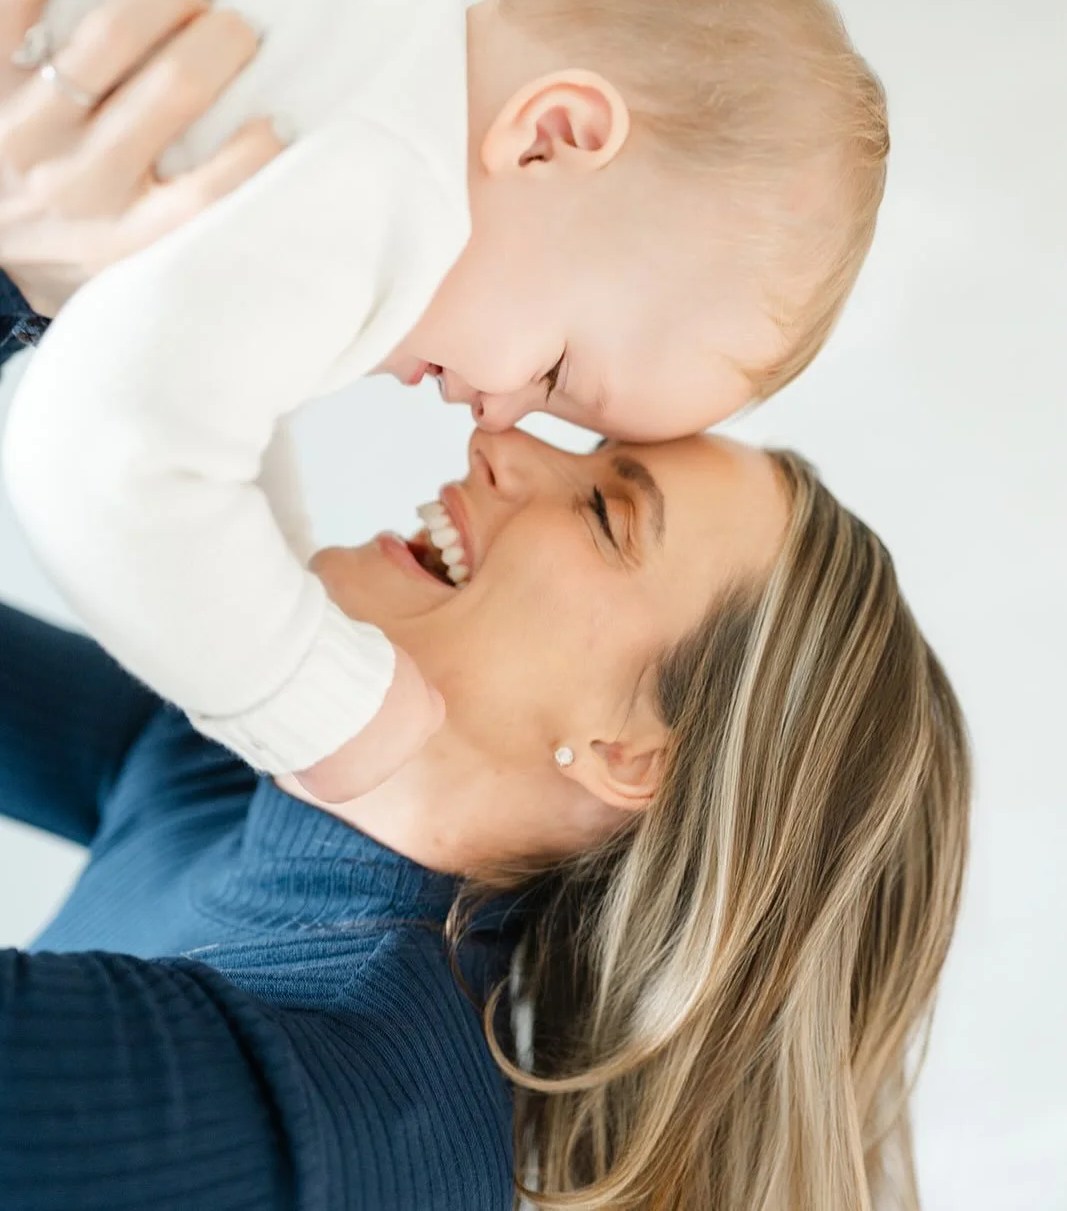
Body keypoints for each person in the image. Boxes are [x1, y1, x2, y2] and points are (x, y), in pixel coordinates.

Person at [0, 0, 889, 804]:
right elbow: (105, 452)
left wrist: (289, 577)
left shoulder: (331, 108)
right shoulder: (388, 187)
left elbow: (202, 404)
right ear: (550, 140)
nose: (496, 419)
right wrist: (309, 703)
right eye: (552, 371)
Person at [0, 398, 970, 1208]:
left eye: (605, 517)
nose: (497, 440)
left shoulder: (344, 1098)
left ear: (626, 755)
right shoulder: (230, 773)